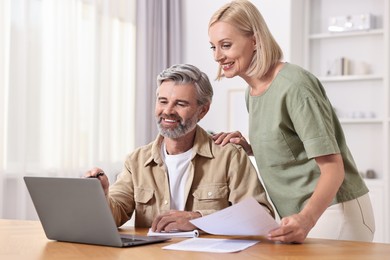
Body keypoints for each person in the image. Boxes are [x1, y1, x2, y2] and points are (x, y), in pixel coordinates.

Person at [208, 0, 375, 243]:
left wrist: (306, 219)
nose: (217, 56)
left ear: (254, 40)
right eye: (212, 47)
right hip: (297, 214)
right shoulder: (252, 92)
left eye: (225, 45)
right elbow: (293, 148)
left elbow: (333, 168)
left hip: (334, 211)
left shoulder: (295, 85)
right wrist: (250, 148)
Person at [85, 63, 274, 233]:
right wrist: (100, 195)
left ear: (203, 110)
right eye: (163, 101)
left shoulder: (229, 156)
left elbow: (261, 217)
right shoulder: (136, 161)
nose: (167, 111)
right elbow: (114, 214)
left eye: (180, 104)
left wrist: (198, 219)